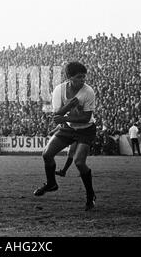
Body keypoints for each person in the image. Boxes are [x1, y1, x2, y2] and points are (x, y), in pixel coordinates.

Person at [33, 61, 97, 211]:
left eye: (84, 77)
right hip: (68, 128)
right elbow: (57, 115)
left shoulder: (88, 92)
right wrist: (68, 106)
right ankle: (51, 184)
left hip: (86, 129)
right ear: (69, 77)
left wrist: (66, 117)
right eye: (79, 77)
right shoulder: (59, 90)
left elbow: (86, 118)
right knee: (47, 154)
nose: (82, 80)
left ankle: (90, 195)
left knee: (79, 162)